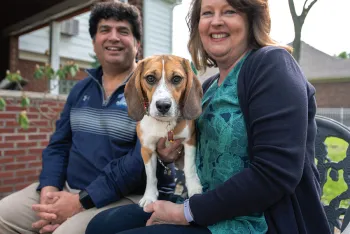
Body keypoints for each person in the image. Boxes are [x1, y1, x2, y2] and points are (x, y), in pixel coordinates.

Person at [85, 0, 332, 233]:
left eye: (229, 11)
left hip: (258, 222)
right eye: (207, 13)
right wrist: (171, 154)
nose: (216, 21)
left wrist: (185, 212)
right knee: (101, 226)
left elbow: (277, 173)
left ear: (251, 19)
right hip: (207, 209)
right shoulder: (210, 86)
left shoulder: (272, 65)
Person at [0, 1, 181, 234]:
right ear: (94, 42)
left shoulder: (155, 92)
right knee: (3, 214)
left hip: (126, 197)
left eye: (123, 31)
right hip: (67, 189)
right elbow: (59, 144)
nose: (113, 37)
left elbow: (139, 162)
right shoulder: (80, 90)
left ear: (137, 44)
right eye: (105, 30)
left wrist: (80, 201)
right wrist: (49, 188)